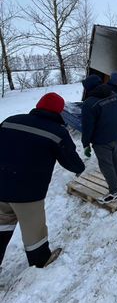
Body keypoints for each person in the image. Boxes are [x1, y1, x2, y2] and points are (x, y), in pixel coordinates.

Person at [0, 93, 85, 270]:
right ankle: (40, 261)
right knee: (33, 230)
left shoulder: (10, 120)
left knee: (2, 224)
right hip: (27, 192)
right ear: (59, 111)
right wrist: (79, 168)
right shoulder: (57, 132)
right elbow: (70, 160)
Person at [81, 74, 117, 204]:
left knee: (106, 165)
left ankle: (114, 192)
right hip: (116, 136)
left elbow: (87, 126)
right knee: (116, 158)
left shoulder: (89, 103)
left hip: (101, 141)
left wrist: (86, 144)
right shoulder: (115, 95)